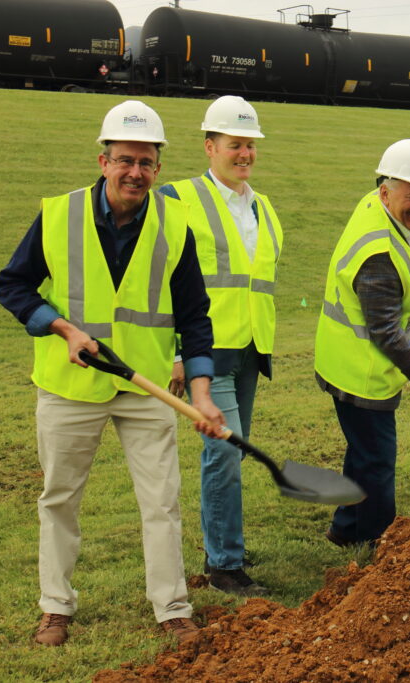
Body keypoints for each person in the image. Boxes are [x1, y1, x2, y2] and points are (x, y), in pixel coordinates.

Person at [0, 100, 225, 646]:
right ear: (104, 162)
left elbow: (195, 317)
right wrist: (62, 328)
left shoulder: (176, 225)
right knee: (59, 498)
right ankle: (55, 607)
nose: (134, 173)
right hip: (70, 386)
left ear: (158, 168)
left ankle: (172, 608)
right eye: (125, 160)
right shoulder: (59, 214)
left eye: (145, 162)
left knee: (162, 502)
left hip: (146, 388)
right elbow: (13, 285)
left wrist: (201, 393)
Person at [160, 96, 281, 596]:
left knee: (232, 453)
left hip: (250, 350)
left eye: (250, 144)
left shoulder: (263, 206)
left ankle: (221, 547)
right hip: (205, 353)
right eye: (235, 144)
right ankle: (225, 566)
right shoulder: (177, 198)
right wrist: (178, 352)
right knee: (224, 453)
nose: (245, 153)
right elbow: (161, 280)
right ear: (210, 147)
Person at [315, 139, 410, 547]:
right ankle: (380, 542)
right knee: (377, 460)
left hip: (342, 360)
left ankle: (346, 528)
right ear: (386, 191)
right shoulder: (377, 253)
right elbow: (386, 332)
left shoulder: (377, 208)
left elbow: (398, 252)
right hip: (361, 372)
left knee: (362, 451)